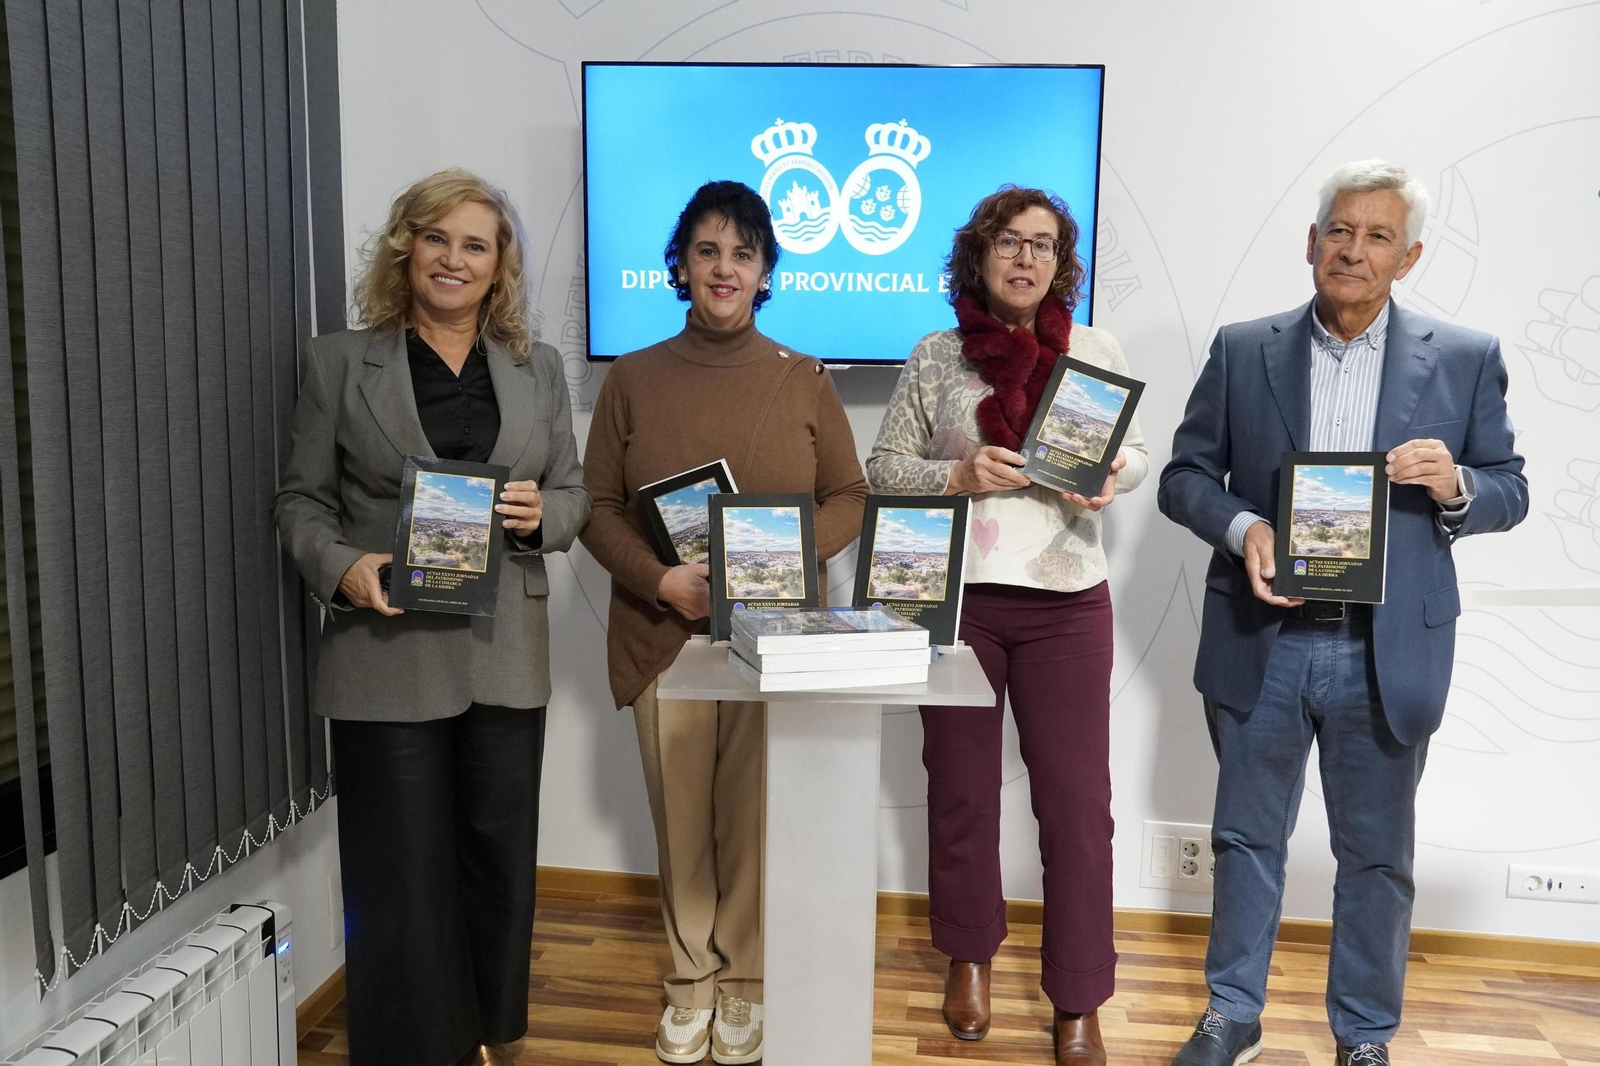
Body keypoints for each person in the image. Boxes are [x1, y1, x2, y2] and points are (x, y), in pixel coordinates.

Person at [1157, 160, 1528, 1066]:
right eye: (1340, 231)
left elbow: (1510, 490)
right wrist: (1244, 526)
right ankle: (1231, 1014)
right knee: (1246, 839)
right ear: (1311, 241)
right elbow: (1184, 477)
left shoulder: (1466, 356)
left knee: (1378, 857)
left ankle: (1364, 1035)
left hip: (1385, 649)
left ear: (1409, 257)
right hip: (1263, 637)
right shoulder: (1243, 348)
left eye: (1378, 237)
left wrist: (1457, 484)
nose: (1354, 251)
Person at [275, 169, 590, 1066]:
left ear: (500, 266)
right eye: (436, 238)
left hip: (503, 649)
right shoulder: (338, 362)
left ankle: (493, 1035)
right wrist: (342, 568)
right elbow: (301, 502)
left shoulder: (538, 367)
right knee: (400, 870)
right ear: (406, 247)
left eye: (475, 245)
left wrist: (545, 515)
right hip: (385, 646)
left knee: (498, 857)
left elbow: (574, 493)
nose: (454, 258)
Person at [580, 179, 867, 1065]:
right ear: (679, 265)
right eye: (707, 250)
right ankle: (690, 984)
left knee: (749, 820)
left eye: (743, 253)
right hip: (664, 635)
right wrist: (662, 581)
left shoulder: (803, 377)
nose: (724, 268)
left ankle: (745, 983)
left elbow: (850, 495)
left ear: (766, 271)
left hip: (769, 642)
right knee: (681, 820)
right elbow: (595, 508)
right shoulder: (632, 378)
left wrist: (781, 563)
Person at [867, 185, 1149, 1066]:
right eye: (1008, 242)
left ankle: (1079, 996)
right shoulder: (936, 353)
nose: (1026, 258)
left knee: (1078, 807)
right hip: (959, 602)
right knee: (959, 793)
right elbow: (882, 469)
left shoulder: (1094, 350)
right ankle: (969, 956)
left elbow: (1136, 453)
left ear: (1061, 263)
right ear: (979, 254)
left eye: (1043, 244)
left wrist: (1114, 475)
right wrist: (956, 477)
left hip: (1070, 604)